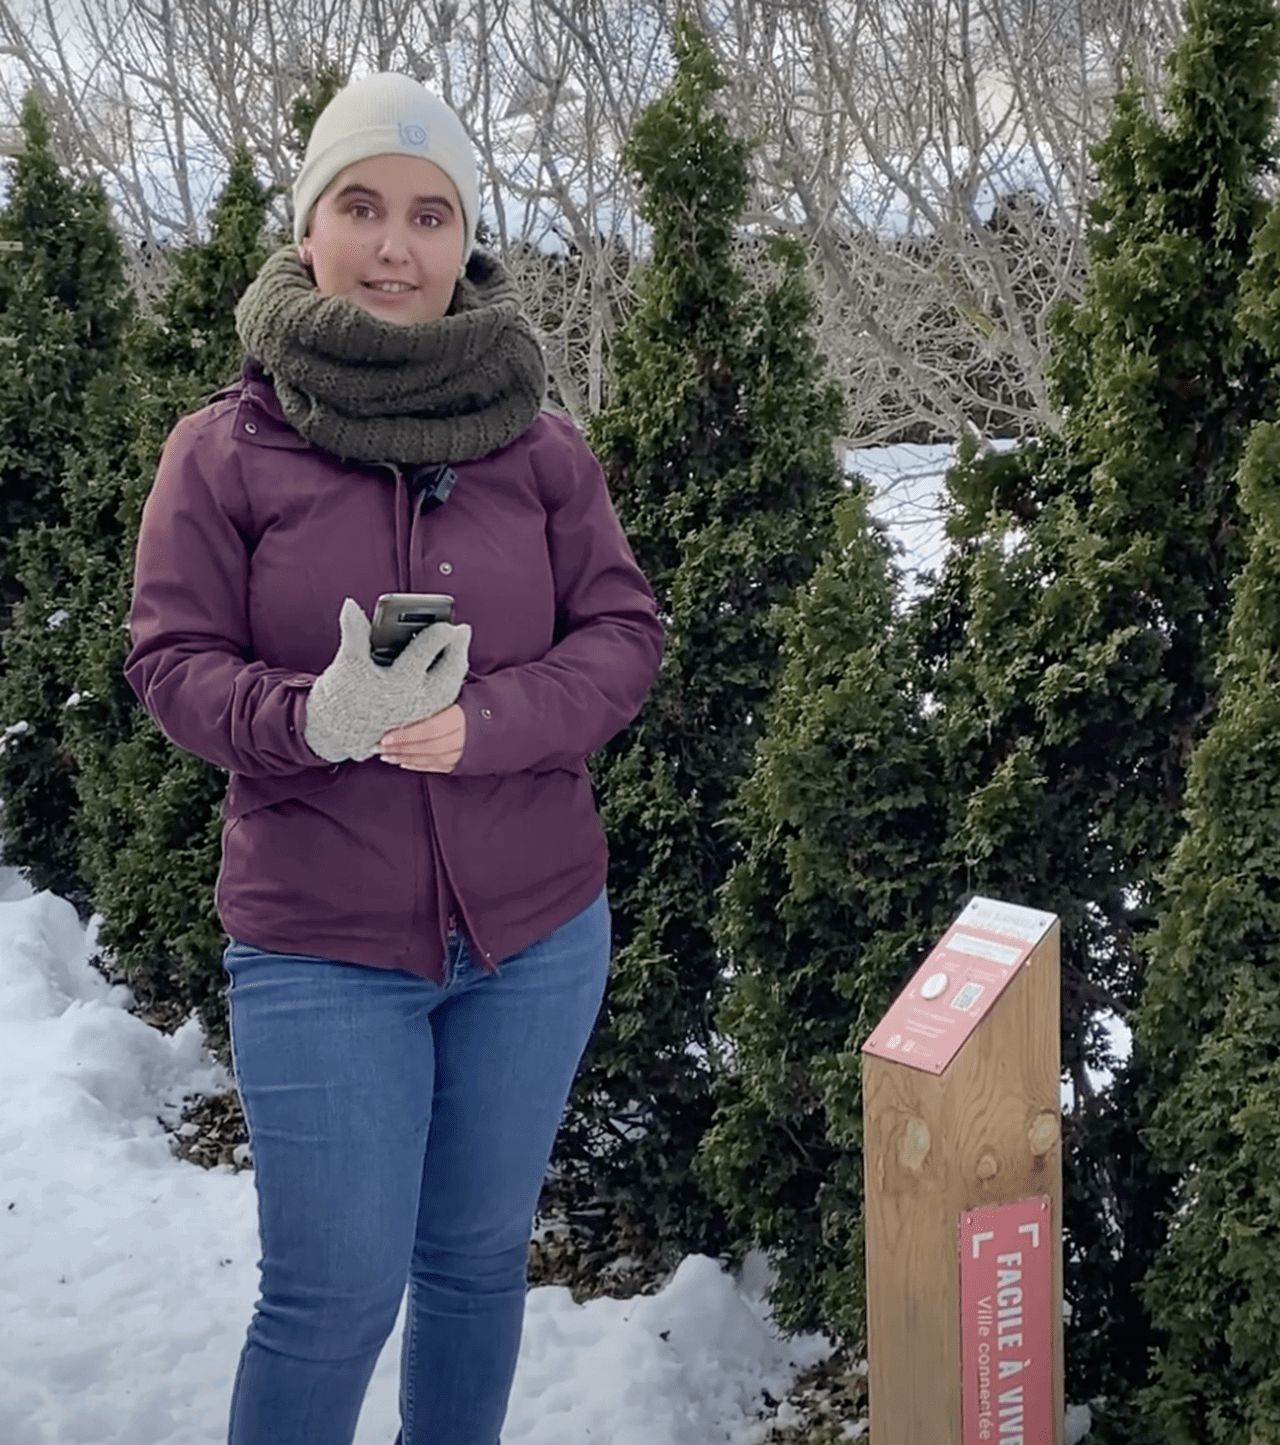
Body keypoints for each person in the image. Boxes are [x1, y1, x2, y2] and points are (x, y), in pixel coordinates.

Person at [125, 72, 663, 1445]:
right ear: (308, 227)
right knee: (330, 1300)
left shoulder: (539, 447)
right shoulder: (223, 452)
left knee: (477, 1266)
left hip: (538, 933)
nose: (394, 245)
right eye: (360, 205)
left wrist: (489, 723)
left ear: (463, 240)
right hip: (323, 947)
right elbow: (170, 664)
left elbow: (620, 633)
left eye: (430, 214)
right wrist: (307, 717)